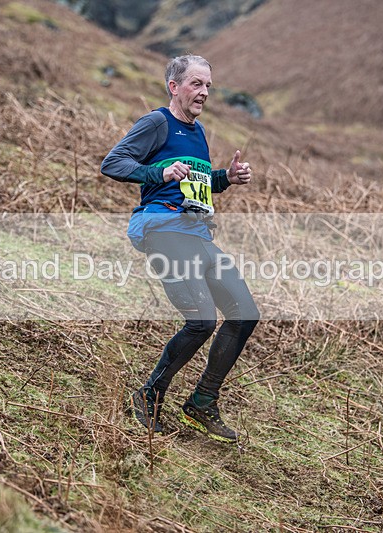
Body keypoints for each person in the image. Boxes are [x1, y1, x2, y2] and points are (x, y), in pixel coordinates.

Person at [100, 54, 260, 443]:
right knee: (202, 321)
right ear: (174, 87)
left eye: (208, 85)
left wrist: (225, 177)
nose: (204, 92)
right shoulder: (158, 122)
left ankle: (202, 402)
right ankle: (149, 395)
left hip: (197, 233)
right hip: (162, 229)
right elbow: (113, 162)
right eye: (195, 84)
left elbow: (194, 186)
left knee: (244, 314)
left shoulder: (199, 132)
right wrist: (159, 171)